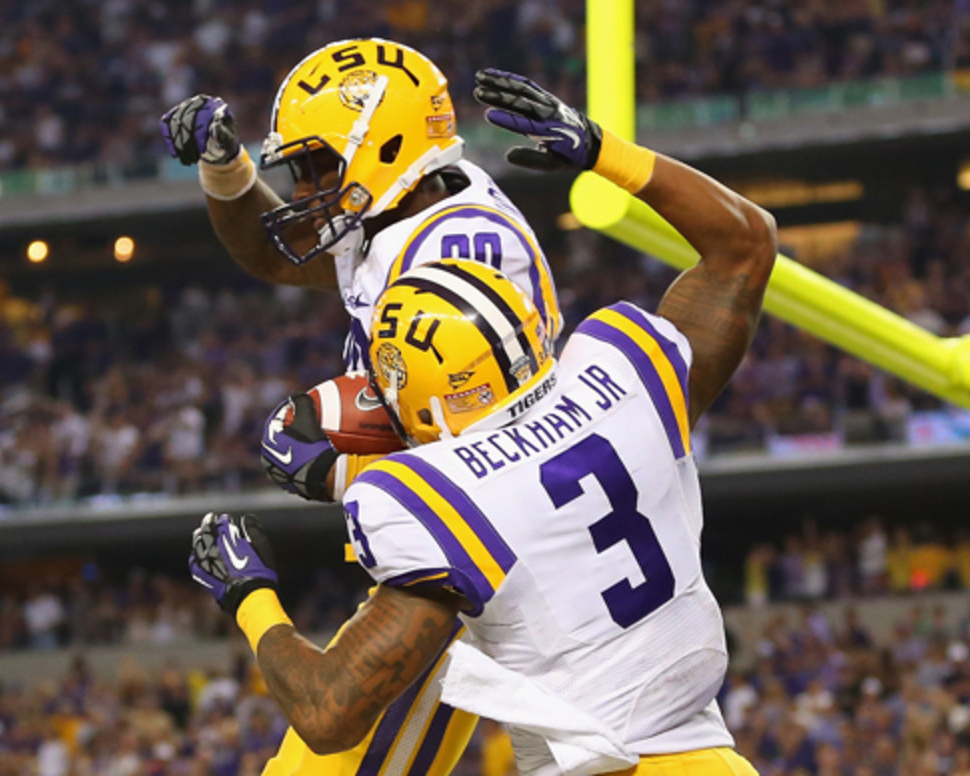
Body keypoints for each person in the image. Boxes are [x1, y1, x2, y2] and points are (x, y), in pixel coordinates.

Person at [188, 68, 776, 774]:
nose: (307, 191)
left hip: (504, 603)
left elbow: (327, 711)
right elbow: (744, 246)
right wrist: (603, 152)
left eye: (319, 165)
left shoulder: (446, 499)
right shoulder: (622, 372)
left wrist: (259, 579)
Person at [163, 39, 562, 776]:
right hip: (458, 547)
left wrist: (342, 478)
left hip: (470, 566)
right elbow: (284, 250)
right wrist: (227, 169)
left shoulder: (458, 261)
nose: (309, 184)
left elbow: (493, 479)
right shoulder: (410, 204)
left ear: (386, 143)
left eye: (320, 163)